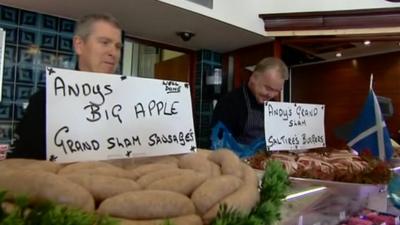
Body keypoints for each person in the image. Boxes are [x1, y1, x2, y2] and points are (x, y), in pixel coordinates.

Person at [12, 13, 122, 159]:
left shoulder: (130, 104)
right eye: (104, 42)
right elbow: (21, 164)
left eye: (118, 46)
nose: (113, 52)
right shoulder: (44, 102)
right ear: (79, 45)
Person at [211, 57, 289, 146]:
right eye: (268, 88)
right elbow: (218, 143)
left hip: (268, 158)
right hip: (238, 158)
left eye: (277, 91)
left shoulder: (274, 105)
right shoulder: (229, 102)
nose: (271, 95)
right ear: (253, 78)